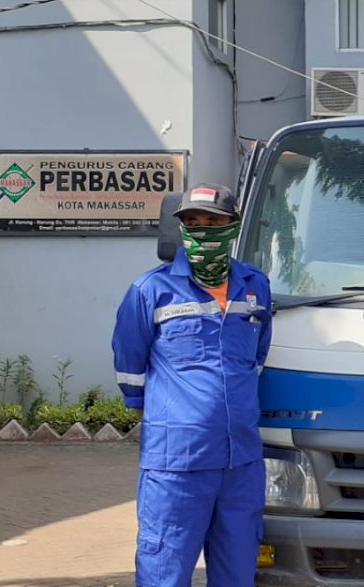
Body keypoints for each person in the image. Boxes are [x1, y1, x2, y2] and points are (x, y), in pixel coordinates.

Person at [112, 183, 273, 587]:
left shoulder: (256, 288)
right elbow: (130, 367)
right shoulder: (151, 290)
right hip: (176, 467)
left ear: (232, 227)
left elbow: (256, 358)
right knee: (165, 571)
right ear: (181, 229)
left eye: (213, 222)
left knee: (238, 573)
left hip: (241, 464)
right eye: (193, 223)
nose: (203, 231)